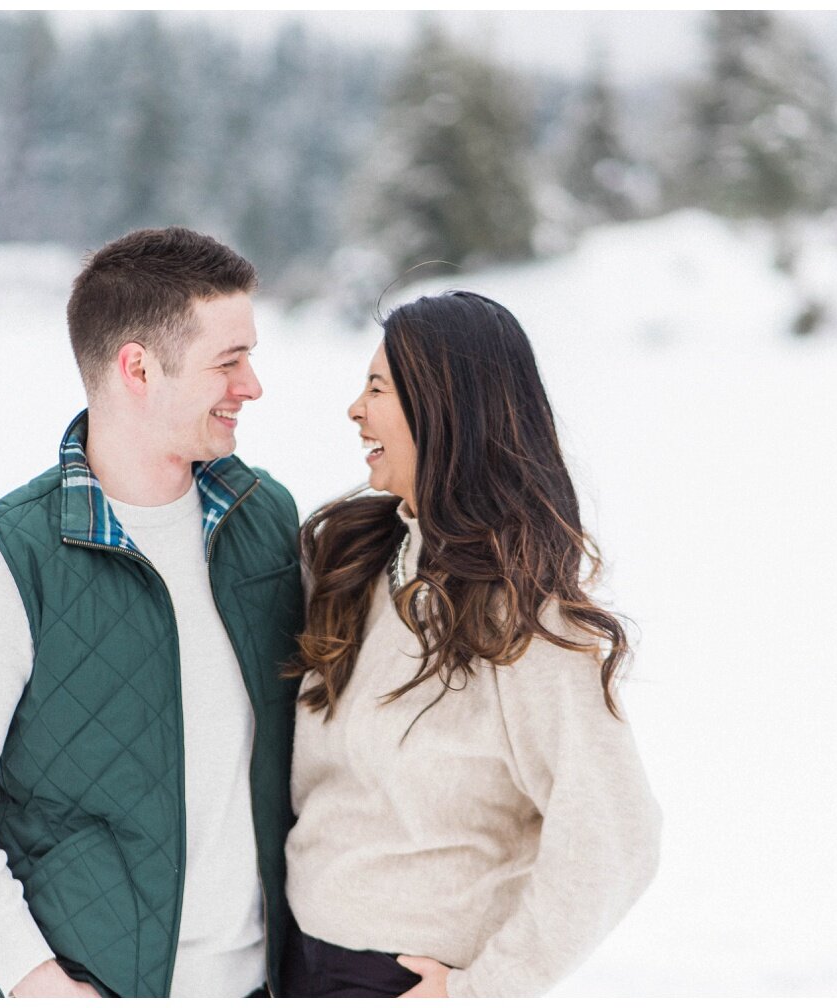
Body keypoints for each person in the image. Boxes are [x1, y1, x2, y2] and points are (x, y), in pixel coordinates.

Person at [0, 227, 304, 998]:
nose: (251, 385)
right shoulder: (10, 562)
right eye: (229, 360)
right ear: (138, 368)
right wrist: (38, 982)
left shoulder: (266, 521)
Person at [282, 291, 661, 997]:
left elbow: (615, 835)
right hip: (297, 962)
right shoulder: (353, 563)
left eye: (377, 388)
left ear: (443, 409)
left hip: (400, 979)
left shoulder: (523, 624)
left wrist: (483, 989)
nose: (355, 409)